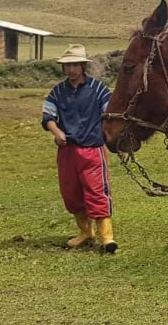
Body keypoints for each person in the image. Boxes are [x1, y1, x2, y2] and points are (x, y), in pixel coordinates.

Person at [41, 44, 117, 253]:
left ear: (83, 66)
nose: (71, 69)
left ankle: (106, 237)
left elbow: (109, 114)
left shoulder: (99, 89)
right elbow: (48, 117)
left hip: (92, 149)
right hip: (67, 151)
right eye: (67, 65)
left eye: (75, 65)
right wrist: (57, 133)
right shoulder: (57, 92)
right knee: (71, 193)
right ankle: (85, 232)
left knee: (97, 191)